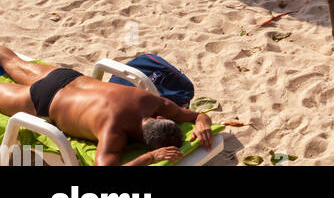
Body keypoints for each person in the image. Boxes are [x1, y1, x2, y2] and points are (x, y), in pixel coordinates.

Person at [0, 44, 221, 167]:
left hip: (67, 77)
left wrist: (202, 123)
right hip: (44, 100)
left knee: (10, 60)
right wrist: (150, 158)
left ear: (160, 119)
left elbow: (196, 116)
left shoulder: (152, 103)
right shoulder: (114, 133)